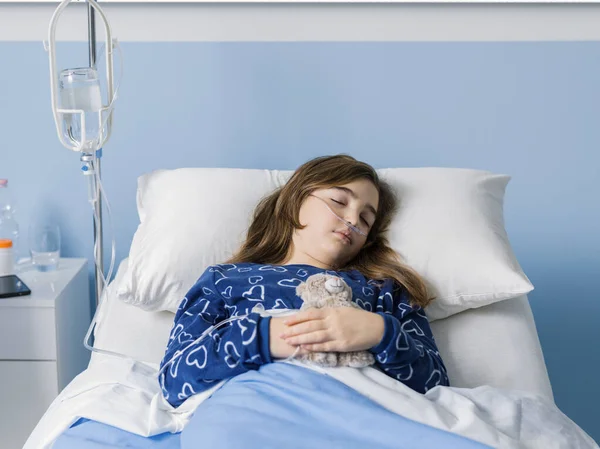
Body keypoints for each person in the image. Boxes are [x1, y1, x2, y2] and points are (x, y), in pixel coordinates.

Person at [159, 154, 449, 408]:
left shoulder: (384, 289)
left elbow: (437, 386)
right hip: (254, 407)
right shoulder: (225, 280)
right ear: (296, 199)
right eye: (339, 201)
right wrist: (267, 336)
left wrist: (381, 334)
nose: (351, 219)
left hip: (354, 409)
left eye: (365, 220)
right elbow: (173, 379)